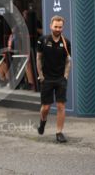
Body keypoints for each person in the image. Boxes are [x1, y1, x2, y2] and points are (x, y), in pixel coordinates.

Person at [36, 15, 71, 143]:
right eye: (55, 26)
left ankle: (59, 132)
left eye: (60, 27)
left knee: (61, 105)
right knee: (46, 108)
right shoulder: (43, 40)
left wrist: (66, 76)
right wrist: (41, 76)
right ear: (51, 26)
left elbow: (68, 61)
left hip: (60, 79)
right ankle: (42, 121)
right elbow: (38, 58)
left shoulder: (66, 42)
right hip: (46, 79)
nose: (58, 29)